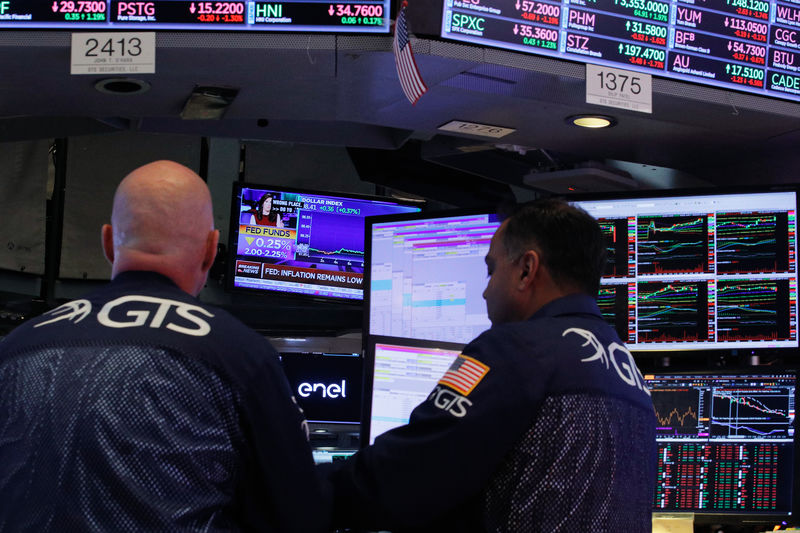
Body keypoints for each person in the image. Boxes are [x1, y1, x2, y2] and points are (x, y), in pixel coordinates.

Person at [0, 161, 328, 532]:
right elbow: (298, 512)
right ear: (209, 249)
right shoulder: (239, 354)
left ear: (108, 242)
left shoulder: (16, 347)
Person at [323, 199, 657, 532]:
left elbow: (409, 474)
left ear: (526, 269)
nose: (485, 291)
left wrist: (304, 490)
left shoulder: (515, 348)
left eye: (491, 269)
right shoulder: (630, 375)